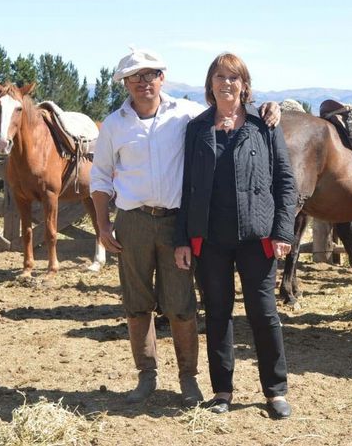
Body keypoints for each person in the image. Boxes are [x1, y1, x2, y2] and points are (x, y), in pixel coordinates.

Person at [90, 48, 280, 407]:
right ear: (125, 83)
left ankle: (188, 379)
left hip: (176, 222)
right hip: (132, 221)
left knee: (181, 303)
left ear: (163, 78)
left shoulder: (188, 116)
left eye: (150, 75)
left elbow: (231, 109)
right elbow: (99, 176)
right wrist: (102, 224)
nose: (143, 82)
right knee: (136, 302)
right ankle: (146, 375)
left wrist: (270, 107)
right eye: (135, 77)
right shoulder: (114, 125)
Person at [174, 52, 297, 420]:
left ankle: (275, 390)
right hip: (210, 239)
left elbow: (286, 183)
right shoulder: (196, 129)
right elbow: (187, 187)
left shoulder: (265, 125)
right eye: (219, 76)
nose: (226, 83)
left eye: (233, 77)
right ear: (210, 84)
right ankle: (222, 391)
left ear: (244, 85)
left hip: (256, 238)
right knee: (217, 315)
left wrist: (282, 231)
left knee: (264, 314)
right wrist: (183, 238)